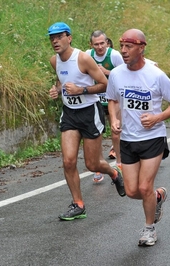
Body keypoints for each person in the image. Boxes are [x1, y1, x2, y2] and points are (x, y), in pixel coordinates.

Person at [106, 29, 170, 246]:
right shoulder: (116, 73)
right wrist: (113, 119)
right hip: (128, 140)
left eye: (128, 46)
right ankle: (157, 197)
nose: (123, 50)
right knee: (131, 191)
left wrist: (158, 117)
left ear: (141, 48)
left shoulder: (155, 75)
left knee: (143, 187)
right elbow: (112, 99)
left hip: (152, 137)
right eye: (122, 46)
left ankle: (149, 229)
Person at [47, 22, 125, 221]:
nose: (55, 41)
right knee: (68, 161)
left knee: (93, 164)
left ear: (69, 37)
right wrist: (57, 90)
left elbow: (105, 85)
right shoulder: (54, 61)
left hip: (90, 113)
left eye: (59, 36)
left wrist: (81, 90)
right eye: (52, 38)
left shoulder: (83, 58)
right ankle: (78, 204)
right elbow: (61, 81)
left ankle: (114, 172)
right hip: (70, 114)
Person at [86, 30, 124, 183]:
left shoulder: (114, 55)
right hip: (96, 98)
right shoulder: (87, 55)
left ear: (107, 42)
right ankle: (98, 168)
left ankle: (119, 164)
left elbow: (125, 74)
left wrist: (106, 71)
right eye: (96, 44)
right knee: (96, 136)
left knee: (116, 132)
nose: (100, 47)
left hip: (113, 98)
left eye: (102, 43)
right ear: (91, 45)